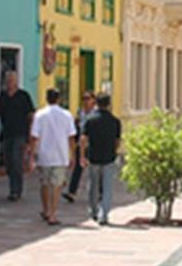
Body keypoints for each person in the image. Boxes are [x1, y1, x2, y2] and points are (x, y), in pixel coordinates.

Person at [29, 88, 75, 225]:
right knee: (57, 185)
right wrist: (72, 154)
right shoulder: (67, 115)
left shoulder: (40, 115)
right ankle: (53, 214)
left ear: (46, 98)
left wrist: (32, 154)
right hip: (61, 155)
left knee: (44, 184)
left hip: (44, 154)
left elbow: (34, 136)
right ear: (59, 99)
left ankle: (46, 209)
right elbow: (71, 137)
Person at [80, 92, 122, 225]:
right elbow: (117, 141)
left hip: (94, 156)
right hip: (109, 156)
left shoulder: (90, 120)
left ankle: (93, 210)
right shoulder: (115, 121)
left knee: (93, 185)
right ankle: (104, 214)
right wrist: (115, 151)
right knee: (107, 186)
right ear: (109, 104)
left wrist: (82, 155)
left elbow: (83, 139)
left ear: (96, 103)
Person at [0, 71, 34, 202]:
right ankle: (13, 186)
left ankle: (16, 190)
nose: (10, 82)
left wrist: (31, 134)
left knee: (16, 160)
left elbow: (31, 115)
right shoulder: (2, 97)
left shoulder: (23, 96)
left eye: (12, 80)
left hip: (20, 134)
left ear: (16, 81)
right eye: (8, 80)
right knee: (9, 162)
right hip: (6, 134)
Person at [65, 92, 98, 203]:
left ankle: (98, 193)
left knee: (95, 170)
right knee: (77, 169)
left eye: (87, 98)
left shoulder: (97, 113)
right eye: (83, 98)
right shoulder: (80, 112)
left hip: (93, 144)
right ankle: (72, 192)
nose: (85, 101)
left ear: (93, 100)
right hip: (81, 144)